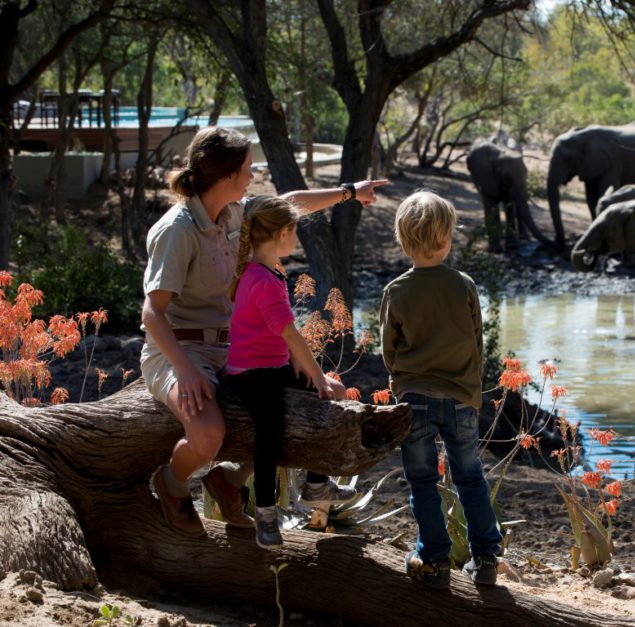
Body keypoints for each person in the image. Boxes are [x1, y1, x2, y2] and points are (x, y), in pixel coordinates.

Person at [142, 125, 386, 538]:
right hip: (180, 350)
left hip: (233, 350)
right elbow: (152, 313)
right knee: (208, 434)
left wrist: (349, 191)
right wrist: (184, 370)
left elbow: (288, 205)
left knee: (289, 409)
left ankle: (228, 481)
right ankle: (172, 484)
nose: (252, 176)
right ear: (226, 176)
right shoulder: (177, 229)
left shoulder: (236, 211)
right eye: (247, 168)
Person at [380, 190, 502, 588]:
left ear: (403, 240)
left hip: (414, 399)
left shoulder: (396, 291)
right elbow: (476, 341)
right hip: (461, 398)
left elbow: (389, 350)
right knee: (470, 477)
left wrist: (401, 383)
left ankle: (433, 558)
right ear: (448, 238)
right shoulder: (463, 284)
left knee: (422, 481)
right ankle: (486, 558)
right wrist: (472, 389)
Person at [224, 196, 349, 548]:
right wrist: (317, 376)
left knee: (337, 394)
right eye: (295, 232)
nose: (297, 240)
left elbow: (276, 335)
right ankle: (265, 513)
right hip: (250, 374)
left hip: (274, 366)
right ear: (282, 233)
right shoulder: (262, 279)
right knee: (271, 431)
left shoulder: (267, 271)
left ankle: (316, 483)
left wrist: (308, 371)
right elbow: (291, 334)